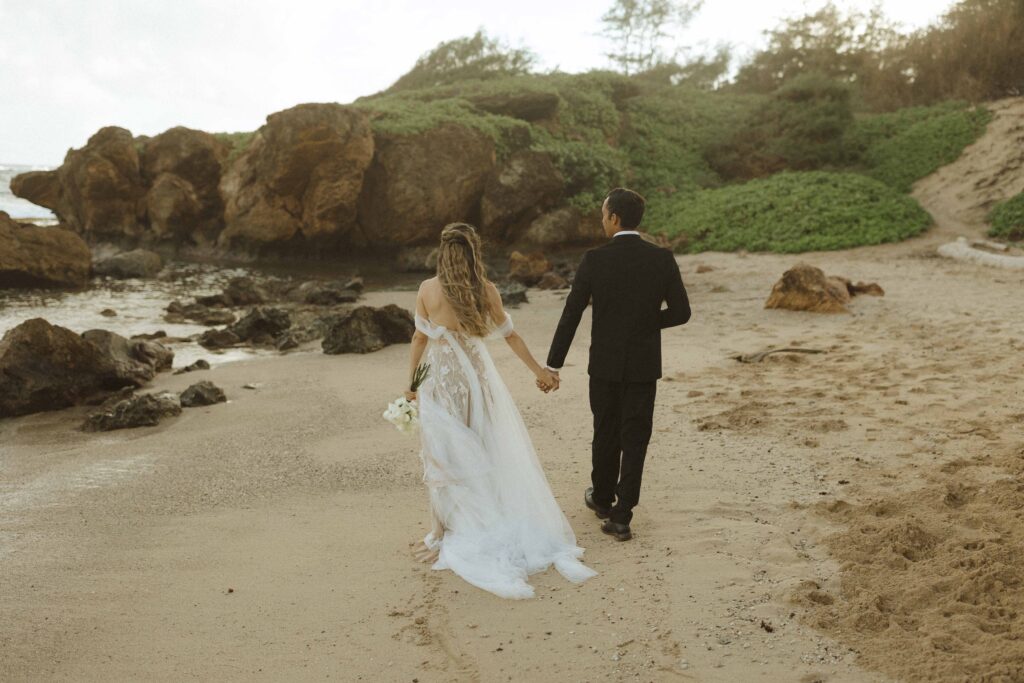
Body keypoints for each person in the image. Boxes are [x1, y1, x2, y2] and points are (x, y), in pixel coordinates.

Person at [403, 222, 597, 599]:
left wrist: (410, 384)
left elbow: (419, 338)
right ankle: (476, 521)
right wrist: (539, 371)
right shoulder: (486, 290)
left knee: (441, 455)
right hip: (476, 380)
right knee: (483, 447)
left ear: (442, 253)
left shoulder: (427, 289)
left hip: (442, 381)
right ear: (474, 252)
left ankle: (441, 534)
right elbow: (510, 335)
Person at [545, 187, 691, 541]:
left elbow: (572, 313)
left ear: (613, 218)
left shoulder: (595, 259)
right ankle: (622, 516)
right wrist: (644, 323)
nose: (601, 220)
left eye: (602, 214)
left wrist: (554, 363)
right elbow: (682, 313)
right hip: (643, 365)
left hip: (606, 364)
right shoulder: (662, 258)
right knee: (636, 436)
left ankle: (603, 497)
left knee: (605, 431)